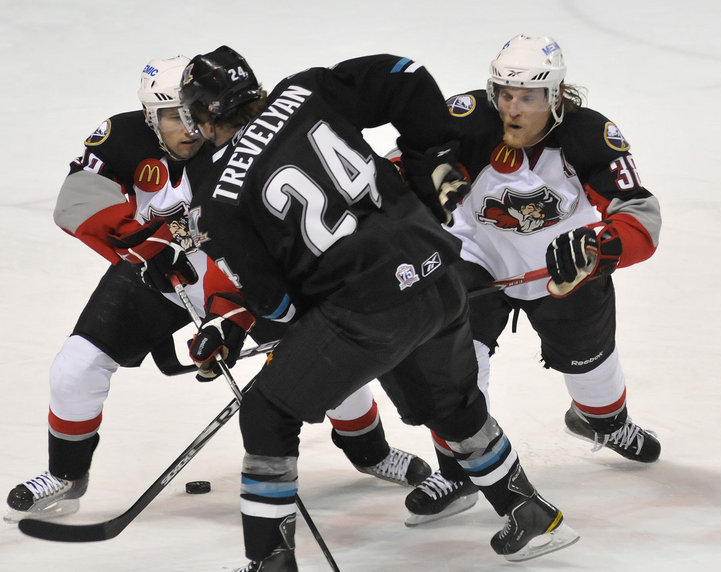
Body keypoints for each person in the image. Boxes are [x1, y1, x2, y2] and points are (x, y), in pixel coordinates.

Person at [173, 45, 579, 571]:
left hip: (365, 310)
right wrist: (431, 157)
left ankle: (270, 560)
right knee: (451, 403)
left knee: (269, 411)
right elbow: (403, 76)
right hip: (437, 269)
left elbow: (274, 304)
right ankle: (527, 510)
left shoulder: (215, 195)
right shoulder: (306, 89)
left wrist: (288, 332)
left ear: (202, 115)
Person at [4, 56, 428, 525]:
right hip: (156, 275)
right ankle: (66, 474)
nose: (187, 129)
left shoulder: (236, 145)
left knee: (325, 360)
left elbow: (263, 249)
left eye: (190, 115)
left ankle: (368, 450)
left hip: (252, 274)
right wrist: (150, 248)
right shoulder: (122, 136)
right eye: (170, 117)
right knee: (75, 367)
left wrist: (232, 322)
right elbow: (76, 203)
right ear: (150, 117)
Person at [401, 34, 663, 525]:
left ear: (557, 97)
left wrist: (599, 249)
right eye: (504, 93)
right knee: (455, 368)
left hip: (566, 269)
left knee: (592, 373)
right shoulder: (465, 117)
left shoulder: (590, 135)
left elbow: (641, 218)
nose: (511, 108)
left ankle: (602, 422)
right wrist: (425, 172)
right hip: (475, 259)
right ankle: (458, 471)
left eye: (528, 97)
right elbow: (403, 162)